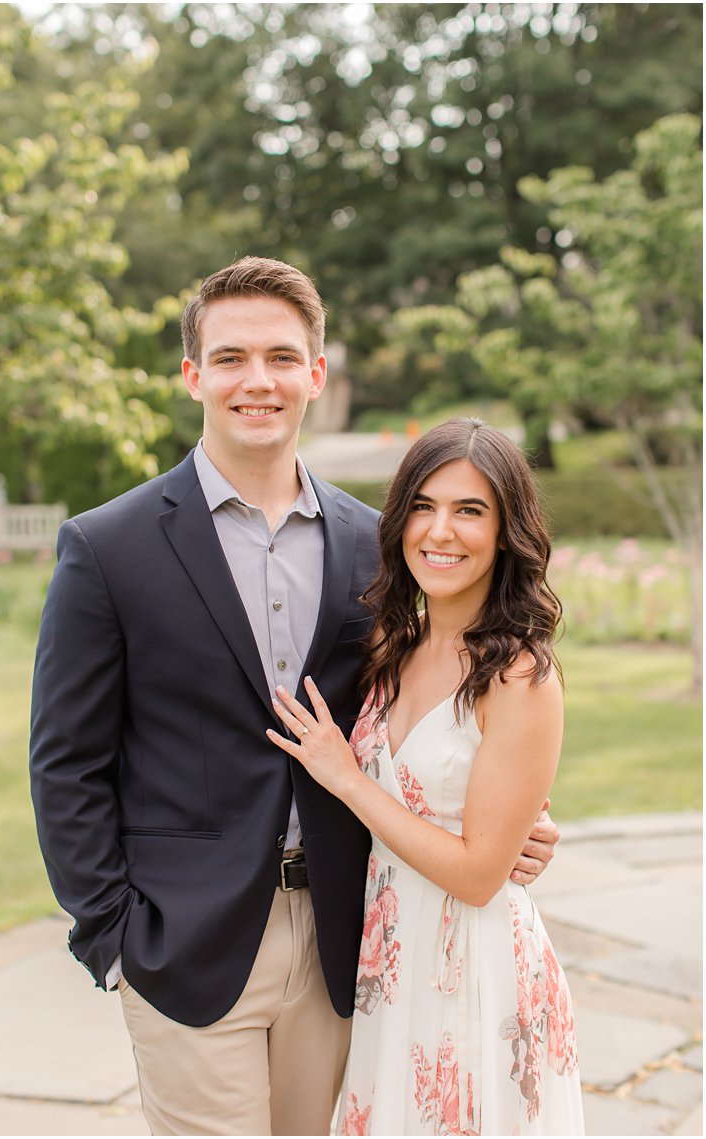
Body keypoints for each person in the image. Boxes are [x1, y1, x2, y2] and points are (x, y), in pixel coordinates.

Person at [28, 256, 559, 1135]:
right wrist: (112, 935)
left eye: (282, 357)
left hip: (349, 935)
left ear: (317, 372)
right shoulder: (107, 546)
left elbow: (434, 699)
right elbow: (65, 762)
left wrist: (515, 817)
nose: (257, 381)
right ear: (193, 374)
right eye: (230, 358)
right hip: (182, 941)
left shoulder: (375, 546)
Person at [266, 418, 582, 1134]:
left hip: (473, 965)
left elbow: (477, 874)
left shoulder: (520, 675)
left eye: (470, 510)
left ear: (507, 532)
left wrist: (349, 779)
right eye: (424, 505)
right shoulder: (390, 644)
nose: (441, 530)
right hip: (389, 957)